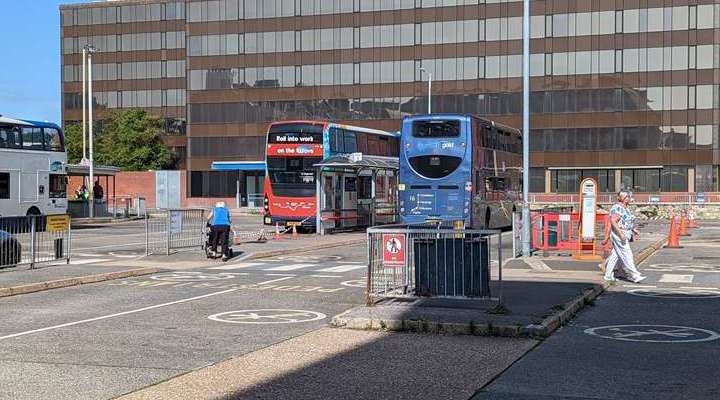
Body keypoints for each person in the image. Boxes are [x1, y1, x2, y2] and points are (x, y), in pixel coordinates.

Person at [603, 190, 646, 283]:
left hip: (626, 233)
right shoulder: (617, 208)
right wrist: (620, 234)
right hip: (619, 233)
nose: (628, 198)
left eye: (628, 196)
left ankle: (608, 275)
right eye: (626, 197)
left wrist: (633, 230)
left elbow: (627, 221)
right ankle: (634, 275)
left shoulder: (626, 208)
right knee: (627, 254)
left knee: (615, 255)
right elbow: (613, 221)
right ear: (620, 198)